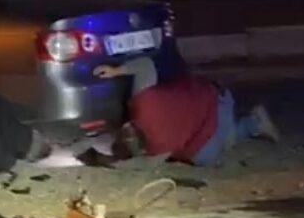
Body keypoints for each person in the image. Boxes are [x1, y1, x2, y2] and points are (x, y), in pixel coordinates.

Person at [93, 57, 279, 166]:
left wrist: (117, 161)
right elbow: (146, 64)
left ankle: (252, 124)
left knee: (203, 156)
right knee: (198, 146)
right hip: (207, 90)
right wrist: (115, 71)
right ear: (126, 125)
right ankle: (242, 122)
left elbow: (158, 158)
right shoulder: (142, 102)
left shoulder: (158, 149)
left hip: (215, 102)